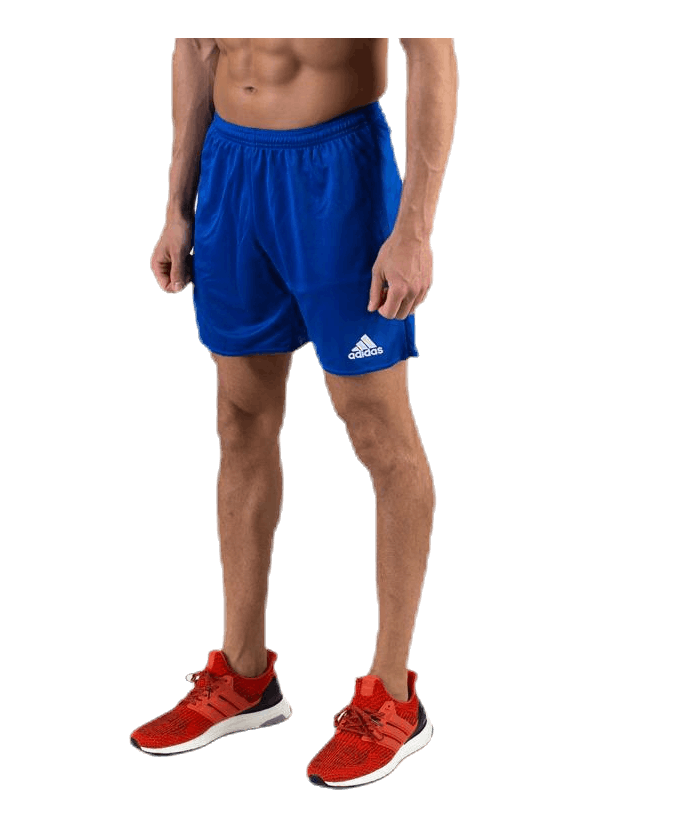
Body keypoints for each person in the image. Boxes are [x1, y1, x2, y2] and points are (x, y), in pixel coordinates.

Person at [131, 37, 458, 789]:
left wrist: (414, 230)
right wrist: (177, 205)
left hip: (338, 175)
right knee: (239, 421)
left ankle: (394, 696)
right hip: (232, 171)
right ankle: (244, 677)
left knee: (378, 433)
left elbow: (433, 59)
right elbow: (195, 48)